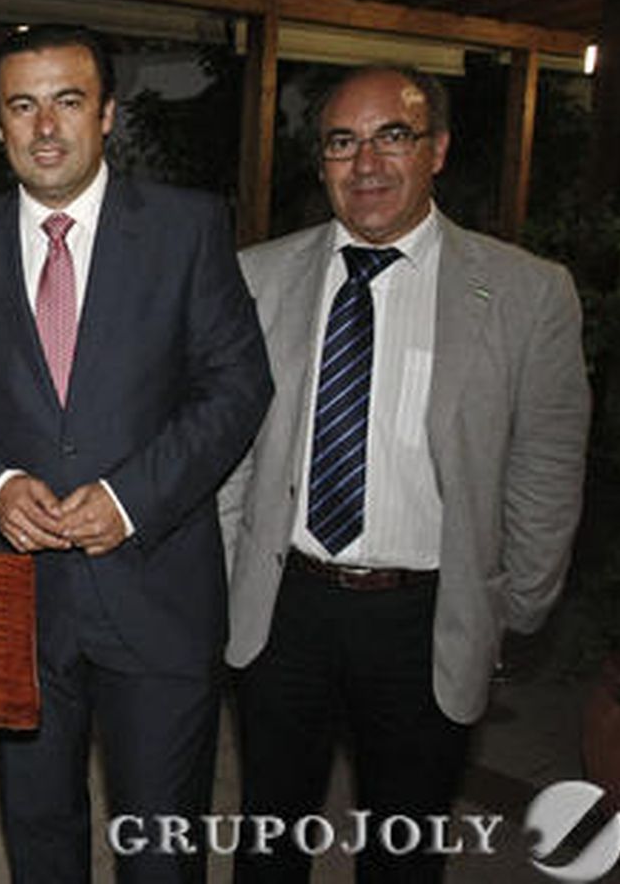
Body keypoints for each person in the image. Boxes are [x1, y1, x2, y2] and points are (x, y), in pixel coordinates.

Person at [220, 64, 590, 882]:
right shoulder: (257, 277)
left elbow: (547, 464)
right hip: (284, 610)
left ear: (439, 150)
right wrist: (225, 581)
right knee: (268, 843)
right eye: (343, 143)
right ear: (321, 163)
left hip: (428, 615)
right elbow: (231, 456)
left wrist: (509, 607)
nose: (368, 164)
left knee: (406, 848)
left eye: (394, 136)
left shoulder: (529, 295)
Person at [0, 24, 272, 883]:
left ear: (108, 114)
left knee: (160, 852)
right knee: (39, 838)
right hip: (23, 606)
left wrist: (128, 500)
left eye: (68, 101)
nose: (46, 126)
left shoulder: (188, 228)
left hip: (157, 595)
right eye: (23, 104)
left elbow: (236, 387)